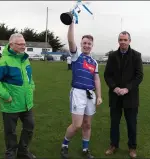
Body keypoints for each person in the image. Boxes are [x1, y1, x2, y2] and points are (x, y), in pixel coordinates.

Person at [0, 33, 36, 159]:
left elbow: (29, 78)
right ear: (11, 45)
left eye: (24, 44)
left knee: (29, 127)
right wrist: (5, 95)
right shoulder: (4, 61)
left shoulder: (25, 59)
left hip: (27, 103)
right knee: (11, 132)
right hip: (11, 104)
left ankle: (23, 151)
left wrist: (31, 87)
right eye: (20, 44)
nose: (23, 46)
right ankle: (10, 153)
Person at [60, 21, 102, 159]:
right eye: (84, 43)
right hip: (78, 93)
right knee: (77, 125)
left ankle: (85, 149)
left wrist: (99, 96)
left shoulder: (94, 62)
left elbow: (96, 80)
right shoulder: (76, 55)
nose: (86, 45)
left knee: (87, 124)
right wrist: (71, 23)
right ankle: (65, 145)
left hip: (90, 94)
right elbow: (70, 40)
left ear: (92, 46)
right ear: (81, 43)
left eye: (89, 43)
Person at [104, 31, 143, 158]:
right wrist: (114, 87)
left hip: (130, 97)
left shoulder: (136, 56)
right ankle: (113, 145)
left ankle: (132, 148)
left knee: (131, 124)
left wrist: (127, 88)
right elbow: (107, 75)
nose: (123, 42)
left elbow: (139, 76)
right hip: (115, 96)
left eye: (125, 40)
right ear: (118, 41)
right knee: (114, 123)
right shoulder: (112, 56)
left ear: (129, 41)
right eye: (121, 39)